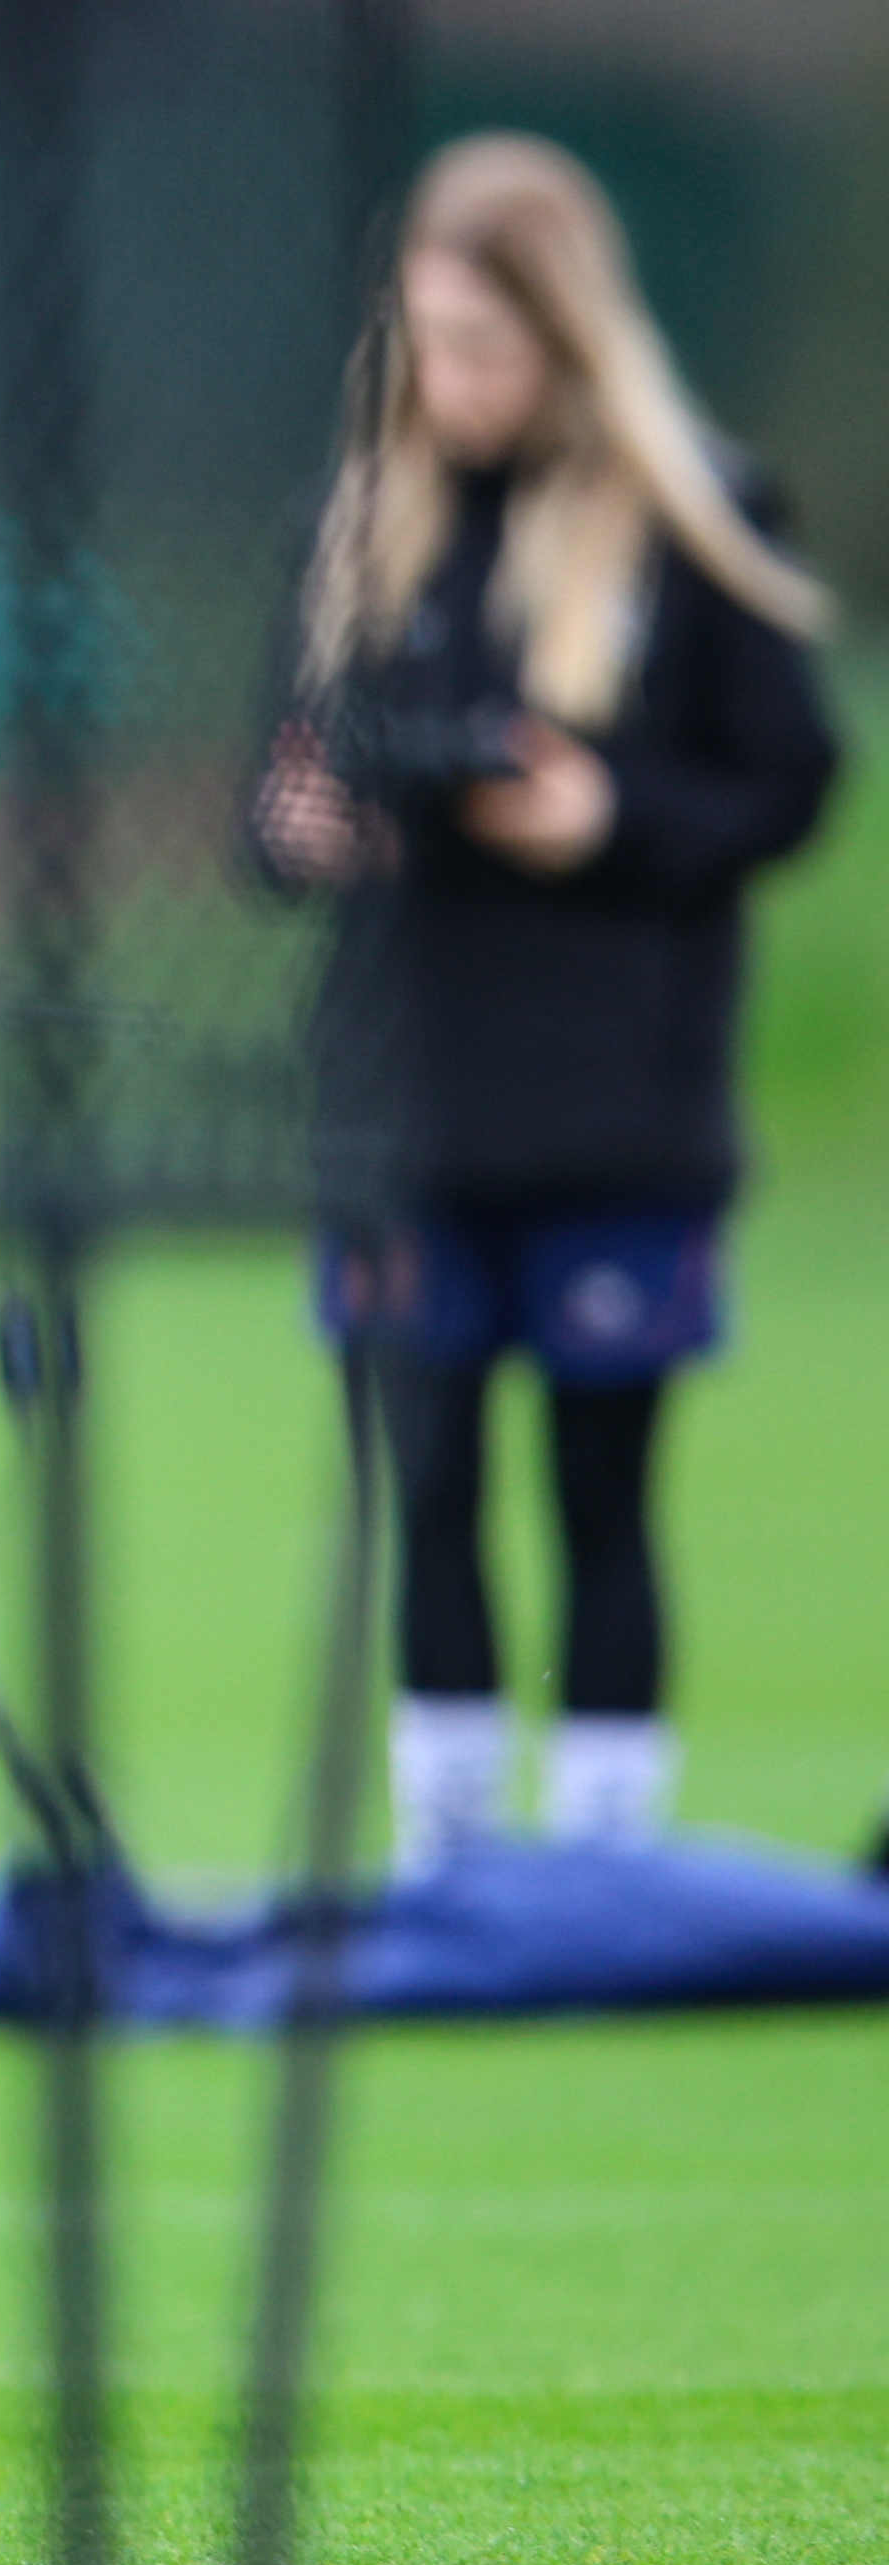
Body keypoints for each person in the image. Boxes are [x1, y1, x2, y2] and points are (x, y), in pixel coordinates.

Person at [255, 134, 837, 1875]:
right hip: (405, 1111)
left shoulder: (695, 520)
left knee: (602, 1498)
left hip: (615, 1110)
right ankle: (449, 1863)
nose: (453, 380)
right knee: (425, 1491)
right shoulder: (355, 530)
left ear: (569, 339)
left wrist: (608, 817)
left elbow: (791, 783)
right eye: (428, 341)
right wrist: (300, 831)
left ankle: (605, 1866)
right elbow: (262, 809)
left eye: (487, 345)